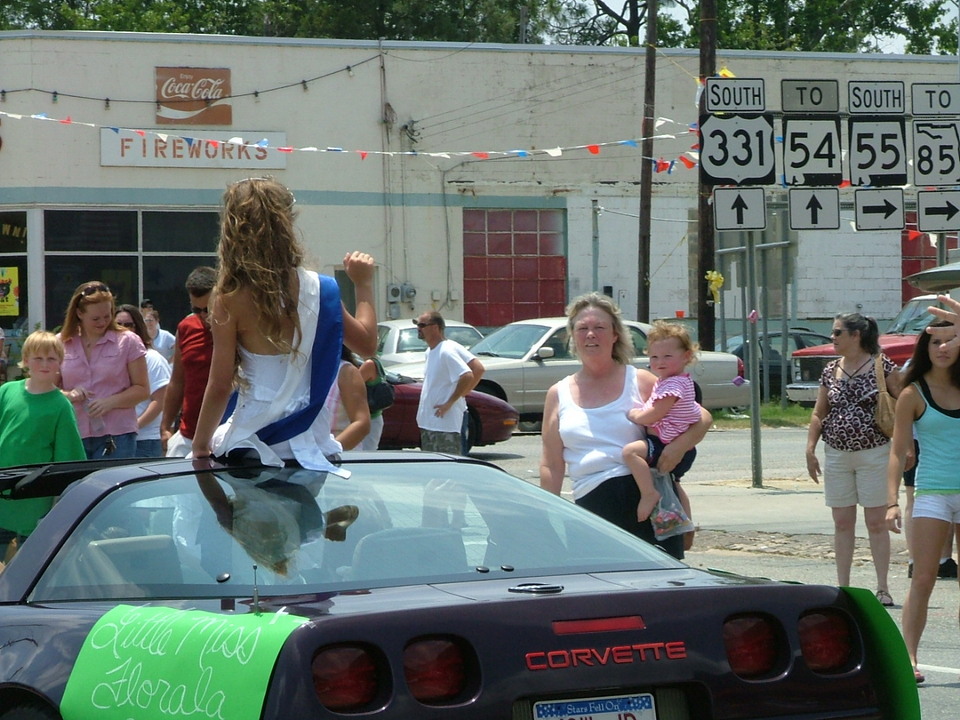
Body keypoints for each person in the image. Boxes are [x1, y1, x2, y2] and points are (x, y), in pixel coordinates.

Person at [190, 177, 377, 470]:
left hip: (254, 436)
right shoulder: (321, 288)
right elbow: (367, 344)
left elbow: (220, 383)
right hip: (308, 434)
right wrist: (363, 285)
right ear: (288, 224)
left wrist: (200, 445)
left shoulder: (230, 297)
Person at [539, 292, 712, 560]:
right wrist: (545, 512)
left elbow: (702, 418)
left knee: (660, 591)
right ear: (572, 336)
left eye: (600, 327)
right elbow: (551, 463)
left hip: (648, 501)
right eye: (582, 328)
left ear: (615, 334)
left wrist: (678, 448)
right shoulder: (557, 393)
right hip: (593, 506)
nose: (591, 334)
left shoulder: (640, 380)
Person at [805, 312, 900, 606]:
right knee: (842, 521)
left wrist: (906, 446)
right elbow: (820, 412)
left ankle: (882, 587)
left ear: (856, 335)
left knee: (875, 522)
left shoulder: (883, 367)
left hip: (874, 451)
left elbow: (904, 405)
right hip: (837, 453)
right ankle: (843, 587)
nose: (832, 339)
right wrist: (810, 448)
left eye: (837, 333)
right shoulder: (830, 370)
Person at [885, 319, 960, 684]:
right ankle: (909, 656)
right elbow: (898, 452)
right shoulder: (913, 393)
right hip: (932, 493)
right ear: (924, 349)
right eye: (935, 342)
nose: (942, 348)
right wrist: (891, 502)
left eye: (951, 340)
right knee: (924, 578)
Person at [0, 331, 85, 547]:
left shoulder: (61, 406)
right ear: (26, 360)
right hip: (2, 491)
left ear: (60, 362)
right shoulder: (6, 391)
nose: (45, 364)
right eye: (38, 358)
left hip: (34, 498)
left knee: (25, 562)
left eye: (51, 358)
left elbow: (69, 460)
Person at [623, 321, 703, 523]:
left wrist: (635, 415)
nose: (660, 362)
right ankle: (683, 526)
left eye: (668, 356)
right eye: (654, 357)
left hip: (664, 445)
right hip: (671, 444)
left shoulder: (673, 385)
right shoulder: (675, 381)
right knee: (673, 484)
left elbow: (655, 414)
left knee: (630, 453)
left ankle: (648, 493)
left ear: (687, 356)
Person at [58, 282, 149, 459]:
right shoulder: (61, 343)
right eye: (95, 318)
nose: (102, 322)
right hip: (74, 433)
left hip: (117, 434)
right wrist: (69, 395)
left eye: (107, 316)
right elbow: (48, 391)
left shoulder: (128, 341)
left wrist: (110, 402)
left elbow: (142, 389)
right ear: (79, 314)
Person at [161, 267, 216, 457]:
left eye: (208, 309)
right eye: (196, 309)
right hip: (187, 434)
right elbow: (177, 381)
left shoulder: (240, 329)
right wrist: (166, 427)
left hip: (225, 435)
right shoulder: (186, 328)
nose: (203, 315)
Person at [414, 311, 484, 454]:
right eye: (417, 325)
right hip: (429, 422)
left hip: (446, 424)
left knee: (449, 469)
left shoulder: (446, 350)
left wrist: (452, 401)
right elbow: (478, 368)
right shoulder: (431, 351)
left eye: (422, 325)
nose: (418, 328)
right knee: (433, 469)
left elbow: (468, 374)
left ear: (435, 327)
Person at [116, 304, 171, 458]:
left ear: (138, 327)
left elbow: (159, 402)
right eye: (118, 325)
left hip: (144, 442)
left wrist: (133, 427)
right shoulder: (110, 360)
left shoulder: (153, 359)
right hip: (114, 440)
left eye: (128, 325)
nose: (123, 329)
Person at [331, 346, 372, 451]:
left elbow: (361, 423)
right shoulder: (297, 370)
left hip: (338, 460)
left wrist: (330, 452)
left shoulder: (345, 371)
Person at [358, 356, 389, 451]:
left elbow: (350, 386)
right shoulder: (376, 362)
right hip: (374, 418)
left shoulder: (369, 364)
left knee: (364, 456)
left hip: (370, 419)